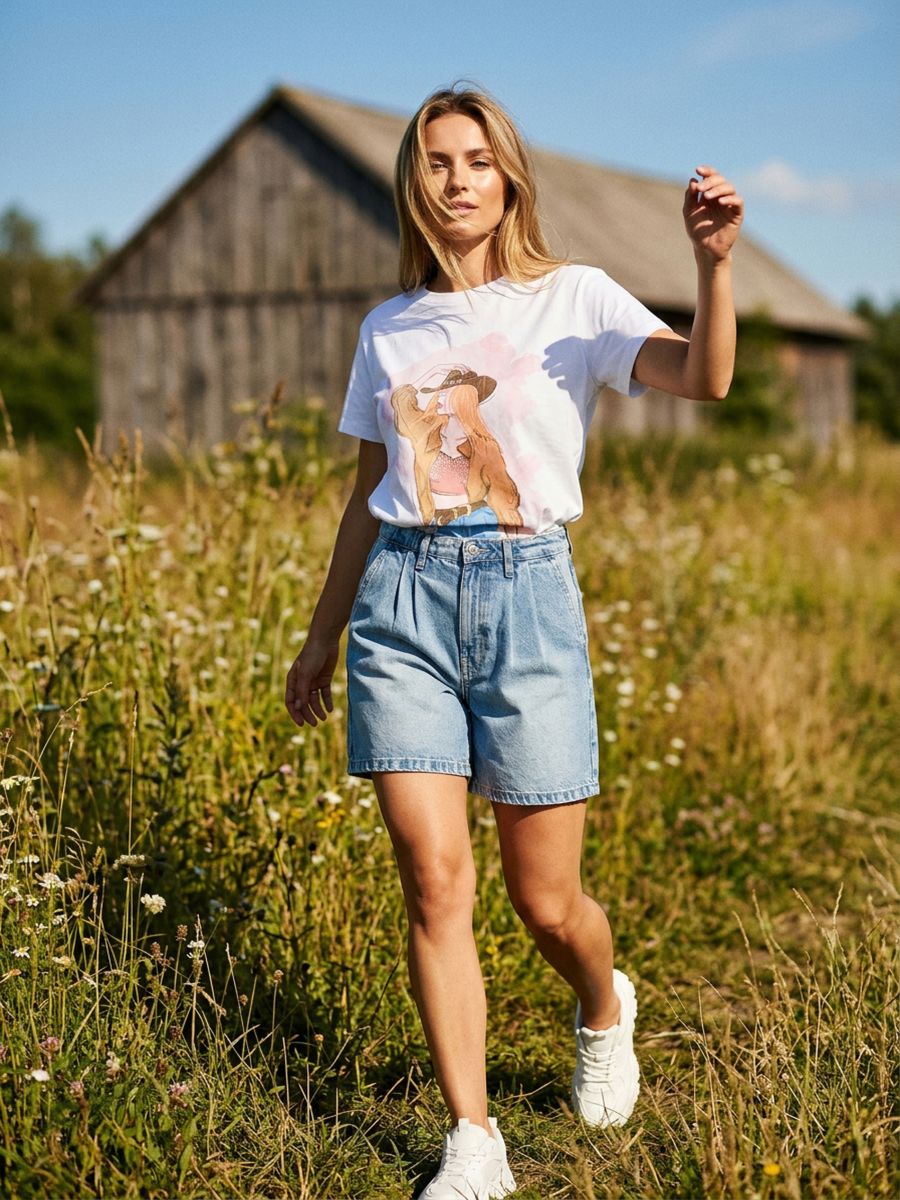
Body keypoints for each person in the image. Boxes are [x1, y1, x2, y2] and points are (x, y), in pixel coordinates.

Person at [285, 80, 743, 1200]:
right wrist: (321, 635)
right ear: (414, 182)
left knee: (546, 903)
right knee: (434, 881)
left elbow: (707, 378)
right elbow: (366, 497)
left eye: (478, 161)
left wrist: (714, 266)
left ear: (509, 179)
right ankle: (474, 1140)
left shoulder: (574, 298)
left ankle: (603, 1005)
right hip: (401, 605)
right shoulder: (386, 329)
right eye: (438, 162)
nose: (458, 181)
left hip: (526, 597)